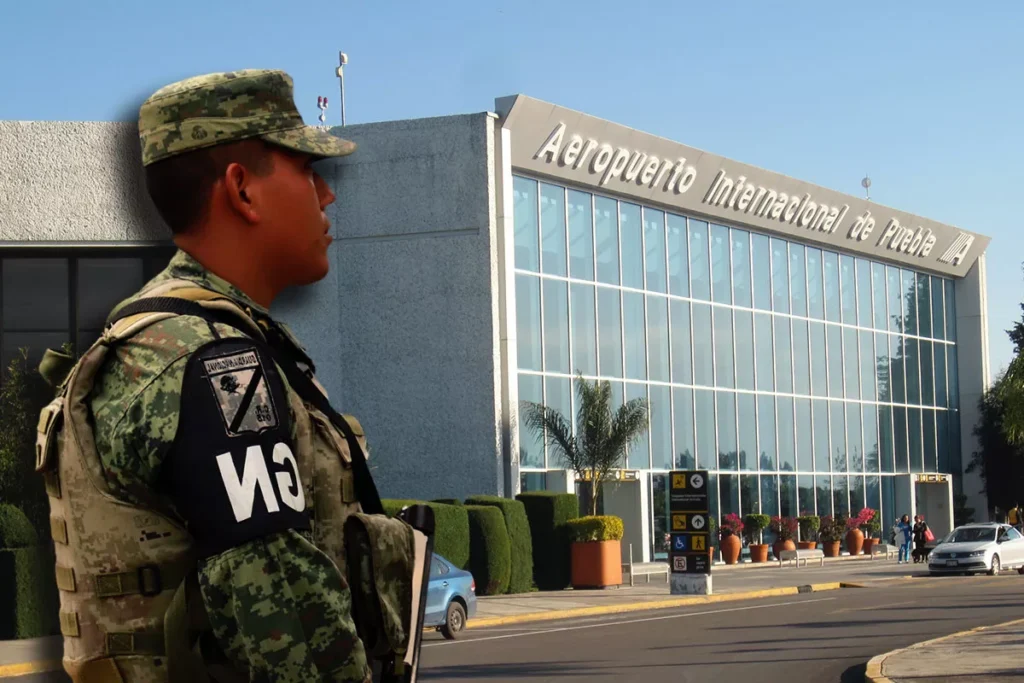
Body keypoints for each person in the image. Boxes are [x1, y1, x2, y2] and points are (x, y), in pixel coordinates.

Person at [34, 69, 408, 683]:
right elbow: (285, 616)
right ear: (243, 190)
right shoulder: (214, 363)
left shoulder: (163, 336)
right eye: (305, 169)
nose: (327, 194)